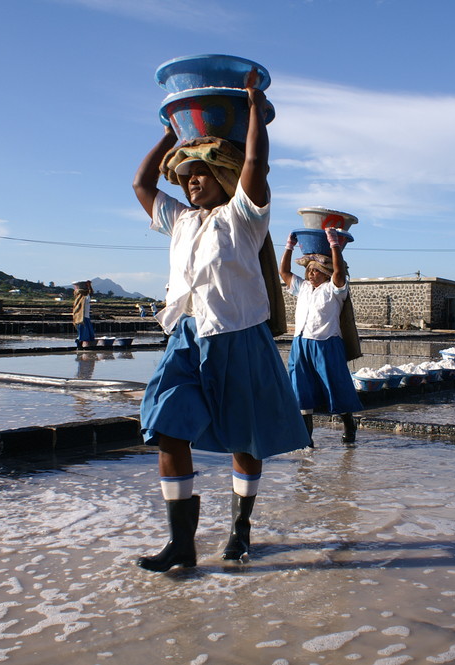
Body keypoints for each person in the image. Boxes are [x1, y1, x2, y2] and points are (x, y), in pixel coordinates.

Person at [131, 70, 310, 572]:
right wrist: (172, 134)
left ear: (224, 179)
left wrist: (253, 104)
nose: (190, 181)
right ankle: (180, 542)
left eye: (200, 174)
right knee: (166, 425)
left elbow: (256, 160)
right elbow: (141, 183)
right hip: (186, 336)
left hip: (238, 336)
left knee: (244, 438)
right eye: (185, 175)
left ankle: (239, 527)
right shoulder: (180, 220)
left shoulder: (244, 217)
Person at [279, 228, 363, 446]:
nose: (311, 274)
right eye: (309, 270)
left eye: (316, 271)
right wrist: (288, 246)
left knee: (335, 386)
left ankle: (349, 425)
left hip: (326, 344)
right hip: (301, 343)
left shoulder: (334, 290)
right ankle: (306, 438)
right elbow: (284, 272)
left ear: (326, 273)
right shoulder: (303, 288)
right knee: (300, 388)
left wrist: (334, 244)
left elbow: (339, 272)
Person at [72, 281, 95, 348]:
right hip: (81, 317)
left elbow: (91, 293)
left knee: (89, 335)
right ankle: (80, 347)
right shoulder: (79, 294)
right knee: (83, 335)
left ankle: (82, 347)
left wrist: (89, 285)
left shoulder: (86, 295)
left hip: (86, 316)